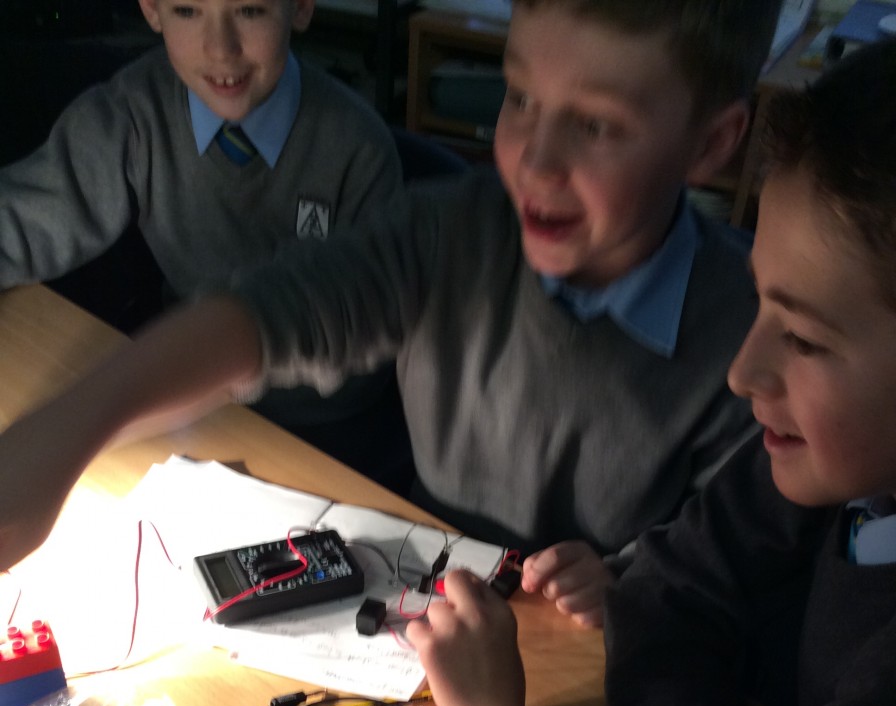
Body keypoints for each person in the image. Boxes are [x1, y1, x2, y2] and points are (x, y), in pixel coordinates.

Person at [405, 38, 896, 706]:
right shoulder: (851, 468)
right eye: (760, 305)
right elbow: (670, 586)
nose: (743, 371)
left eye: (803, 340)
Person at [0, 0, 778, 624]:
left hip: (586, 648)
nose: (535, 162)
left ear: (711, 144)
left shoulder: (753, 338)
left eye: (597, 126)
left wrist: (626, 582)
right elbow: (272, 313)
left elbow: (732, 561)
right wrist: (66, 433)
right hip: (426, 584)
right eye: (519, 98)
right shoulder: (447, 231)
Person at [0, 0, 408, 486]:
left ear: (300, 7)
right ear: (151, 10)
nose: (220, 48)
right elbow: (26, 218)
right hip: (184, 406)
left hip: (322, 434)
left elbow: (359, 353)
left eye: (250, 11)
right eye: (187, 11)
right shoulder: (135, 110)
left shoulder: (357, 149)